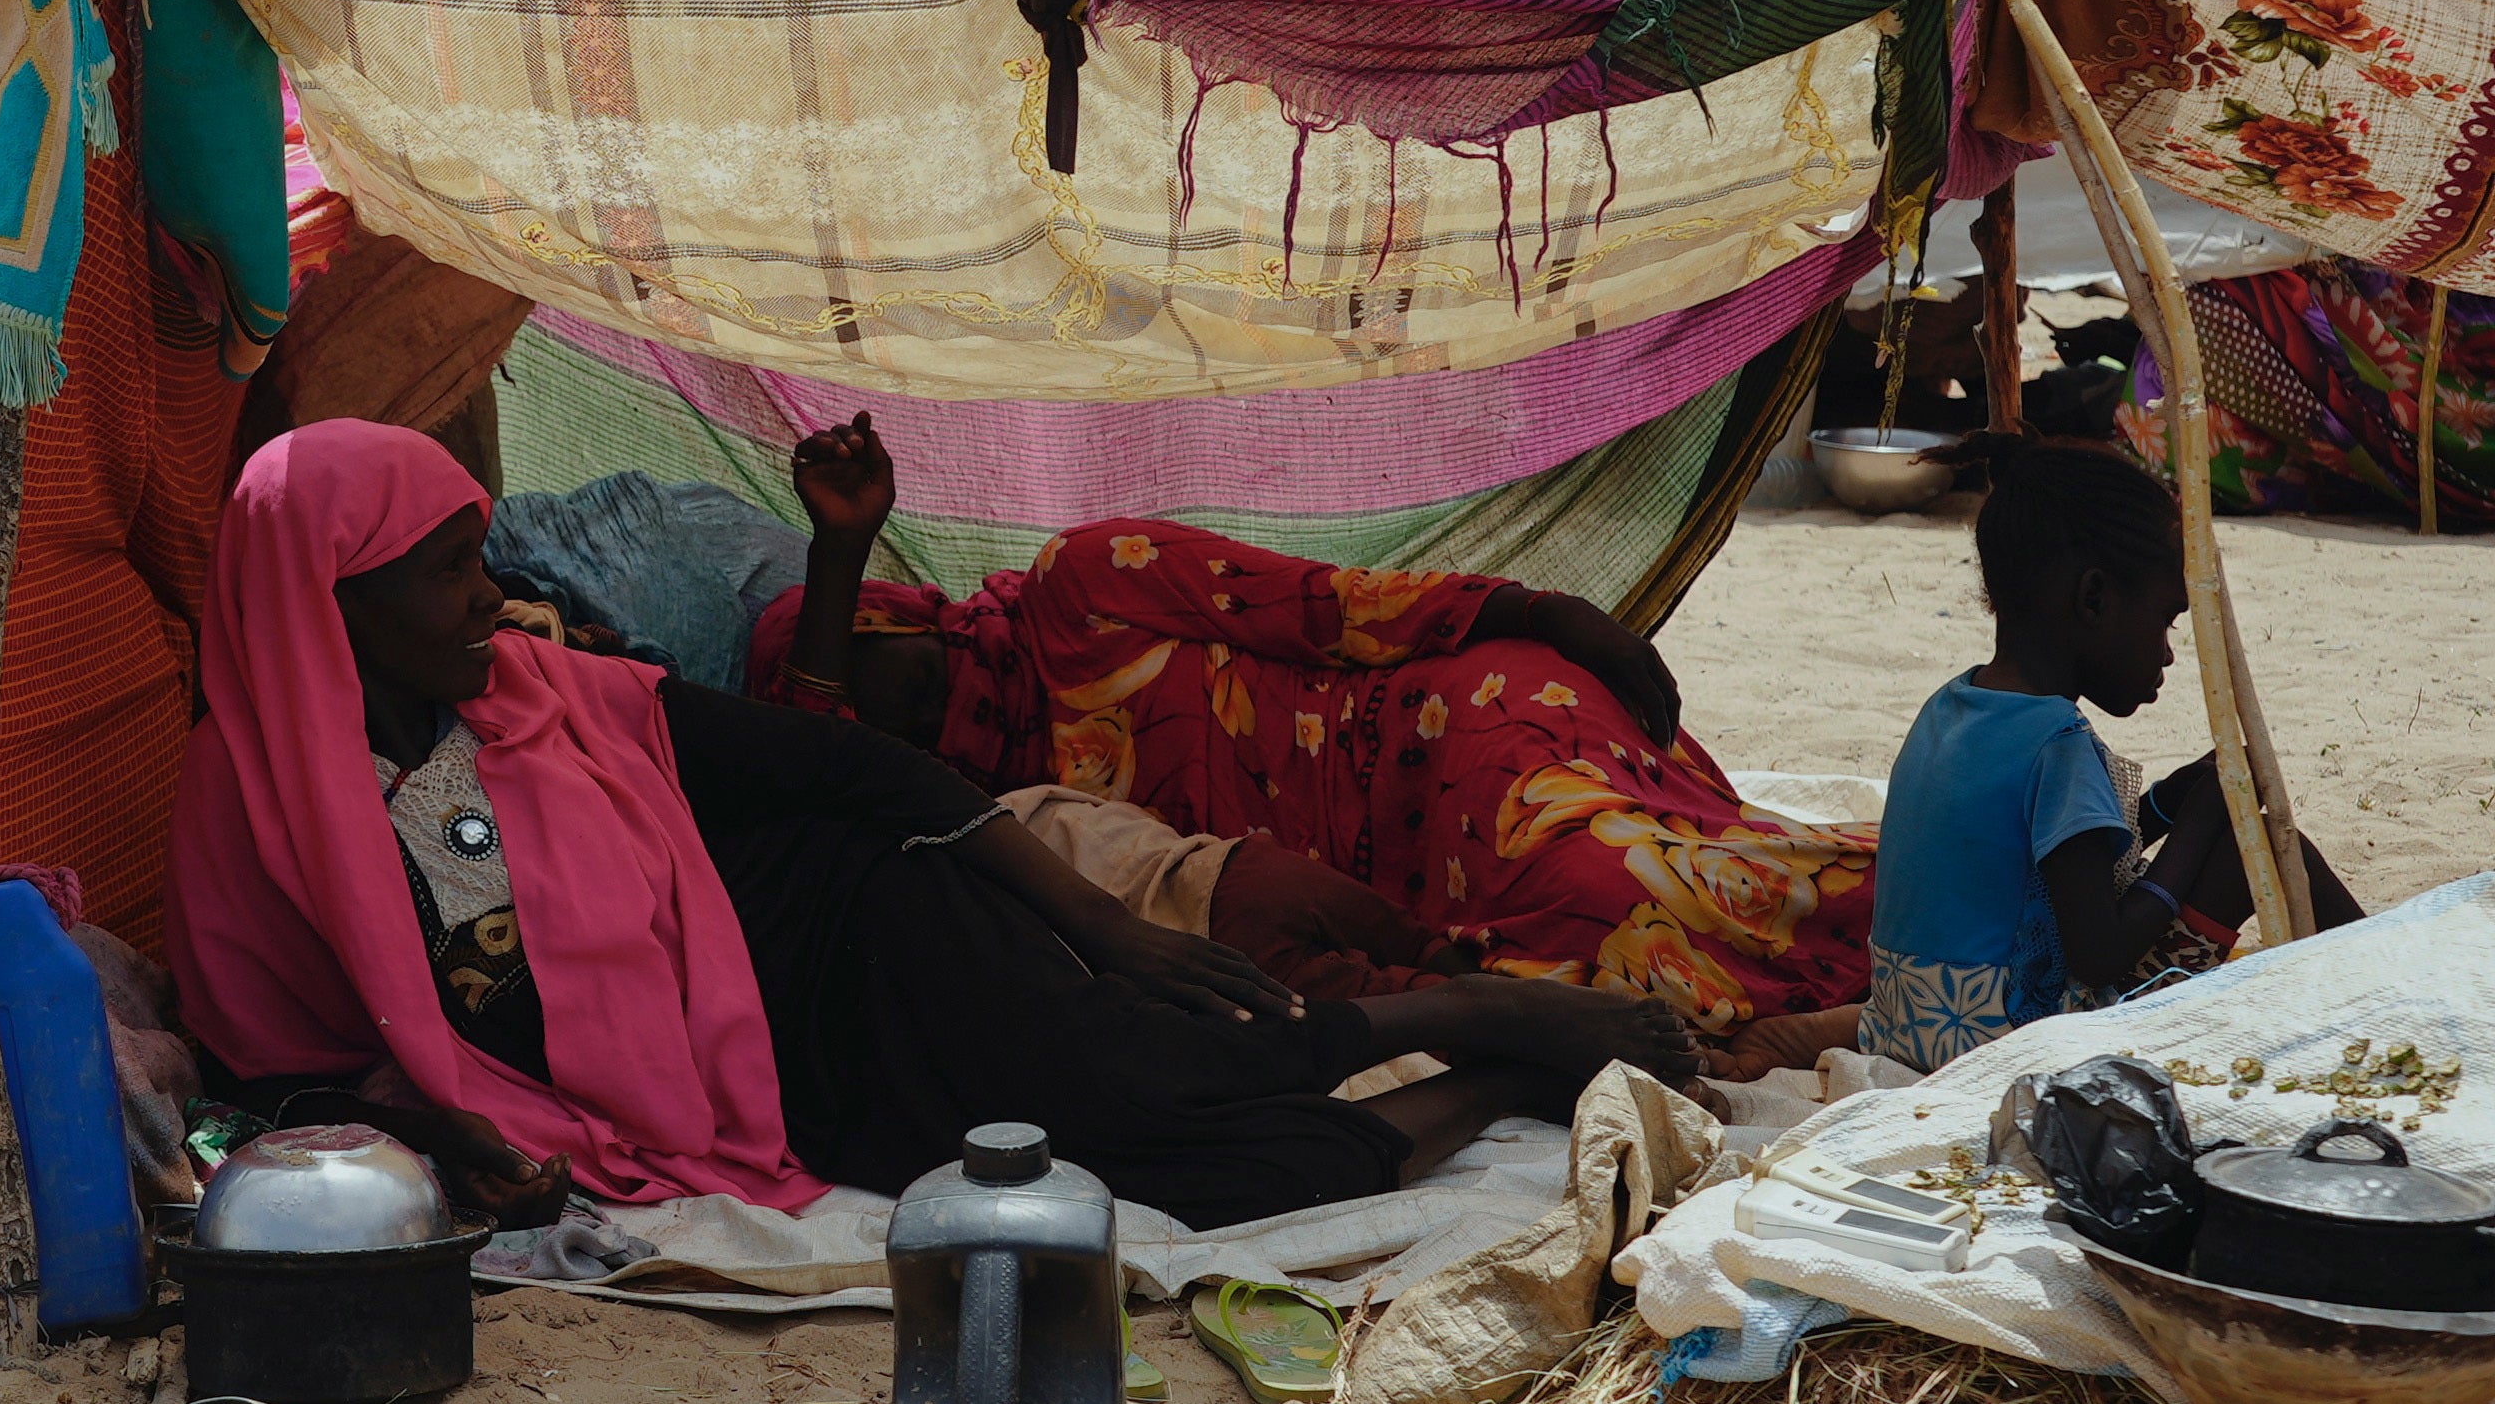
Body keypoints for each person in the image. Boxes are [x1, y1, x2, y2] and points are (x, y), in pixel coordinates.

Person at [165, 421, 1702, 1232]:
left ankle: (1462, 1008)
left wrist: (1096, 927)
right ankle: (1503, 1064)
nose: (482, 597)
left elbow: (864, 779)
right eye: (439, 572)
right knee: (1222, 1183)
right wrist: (441, 1126)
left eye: (469, 558)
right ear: (326, 602)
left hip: (862, 937)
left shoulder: (546, 694)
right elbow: (283, 1072)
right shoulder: (248, 821)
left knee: (1159, 1068)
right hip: (789, 1088)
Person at [751, 416, 1875, 1035]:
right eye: (871, 727)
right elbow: (827, 775)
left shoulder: (1084, 582)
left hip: (1447, 727)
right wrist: (836, 554)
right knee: (1605, 962)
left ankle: (1956, 919)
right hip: (1388, 883)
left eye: (882, 674)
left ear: (906, 617)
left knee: (1616, 891)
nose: (908, 721)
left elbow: (1334, 610)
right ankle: (1923, 956)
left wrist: (1550, 612)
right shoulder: (996, 836)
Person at [1860, 439, 2359, 1071]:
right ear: (2094, 599)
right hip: (2004, 1047)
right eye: (2164, 620)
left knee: (2223, 838)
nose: (2169, 652)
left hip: (1913, 1024)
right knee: (2245, 845)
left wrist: (2165, 806)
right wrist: (2202, 824)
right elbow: (2098, 954)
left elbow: (2054, 866)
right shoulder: (2057, 744)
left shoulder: (1954, 706)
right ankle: (2397, 983)